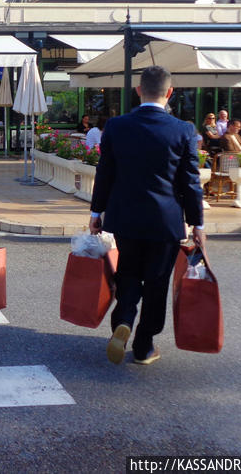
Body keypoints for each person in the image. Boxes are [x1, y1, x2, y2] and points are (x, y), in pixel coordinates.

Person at [89, 65, 205, 366]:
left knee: (127, 271)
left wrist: (96, 211)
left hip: (124, 216)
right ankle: (144, 346)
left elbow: (105, 174)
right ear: (169, 93)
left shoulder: (116, 126)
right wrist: (197, 223)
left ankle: (125, 317)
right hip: (164, 220)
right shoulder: (183, 130)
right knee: (157, 282)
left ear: (138, 91)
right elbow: (190, 182)